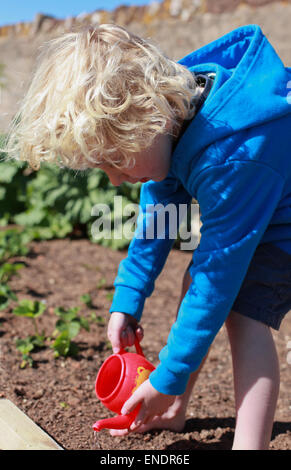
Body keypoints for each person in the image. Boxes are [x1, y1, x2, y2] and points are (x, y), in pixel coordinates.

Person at [4, 23, 291, 450]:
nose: (117, 178)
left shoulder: (233, 155)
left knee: (242, 312)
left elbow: (218, 281)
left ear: (147, 118)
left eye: (117, 159)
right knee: (195, 281)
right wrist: (128, 300)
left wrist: (167, 376)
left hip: (280, 221)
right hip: (261, 206)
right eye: (104, 167)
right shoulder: (173, 121)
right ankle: (174, 410)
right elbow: (157, 224)